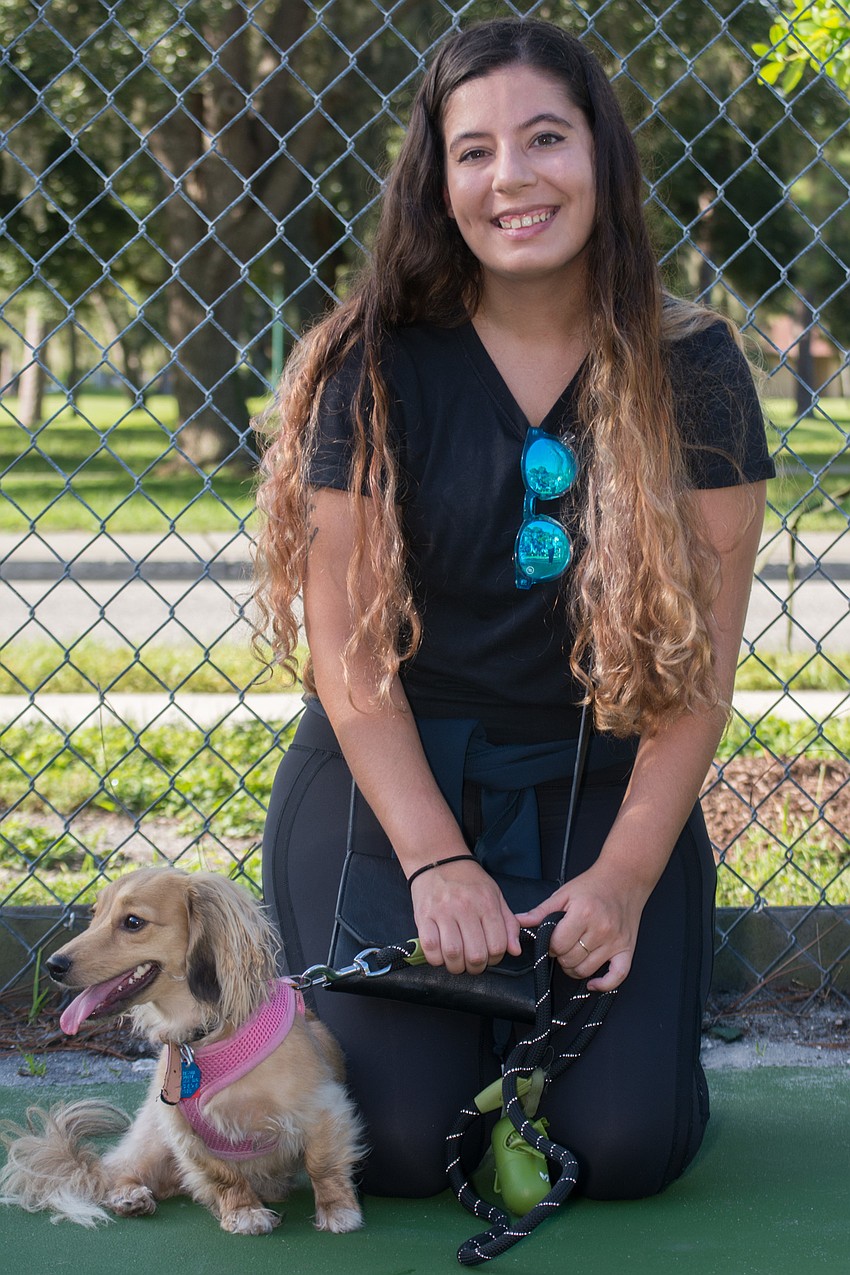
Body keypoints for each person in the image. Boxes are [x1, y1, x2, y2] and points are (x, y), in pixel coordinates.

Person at [256, 17, 773, 1203]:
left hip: (600, 788)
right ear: (438, 183)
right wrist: (437, 861)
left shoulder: (691, 366)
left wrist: (625, 878)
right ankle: (445, 1027)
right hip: (395, 785)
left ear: (601, 156)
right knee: (385, 1141)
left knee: (623, 1151)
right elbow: (348, 657)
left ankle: (552, 1028)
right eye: (474, 150)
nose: (513, 179)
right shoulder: (372, 359)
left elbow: (698, 670)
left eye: (544, 139)